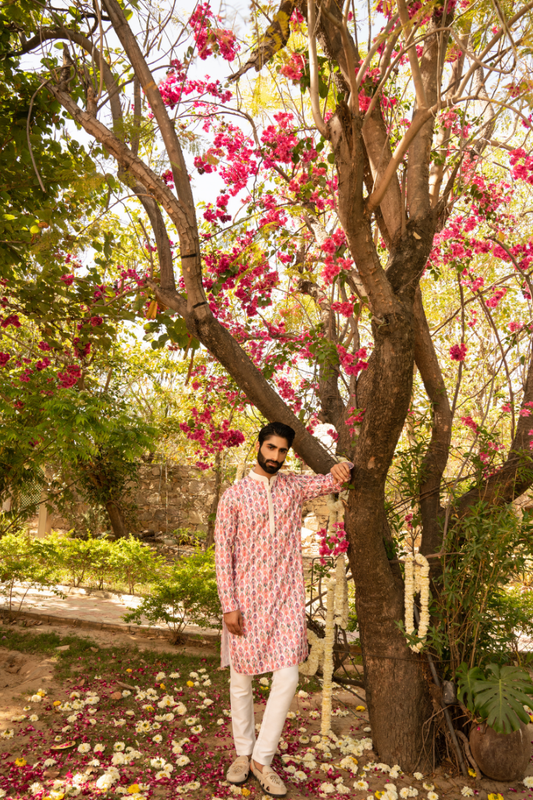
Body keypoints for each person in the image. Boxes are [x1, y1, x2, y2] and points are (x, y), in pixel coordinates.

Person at [214, 421, 352, 797]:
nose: (275, 457)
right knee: (241, 681)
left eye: (282, 451)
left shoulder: (293, 486)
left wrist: (344, 467)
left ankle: (262, 758)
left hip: (286, 598)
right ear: (259, 446)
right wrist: (230, 605)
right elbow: (222, 554)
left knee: (288, 678)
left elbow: (330, 482)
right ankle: (243, 753)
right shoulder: (235, 496)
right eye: (270, 448)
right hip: (245, 600)